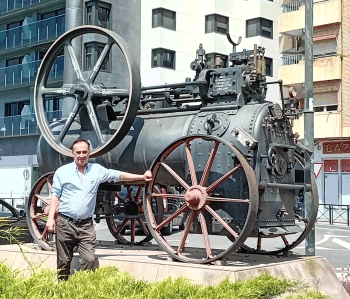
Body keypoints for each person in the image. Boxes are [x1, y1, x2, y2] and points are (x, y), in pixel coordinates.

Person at [45, 139, 152, 280]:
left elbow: (117, 175)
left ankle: (83, 290)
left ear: (89, 153)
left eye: (84, 152)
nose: (81, 155)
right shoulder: (62, 172)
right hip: (65, 224)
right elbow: (55, 197)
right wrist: (51, 219)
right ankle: (62, 291)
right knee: (63, 262)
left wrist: (142, 177)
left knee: (89, 260)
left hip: (86, 225)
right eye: (78, 152)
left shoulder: (96, 170)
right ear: (72, 154)